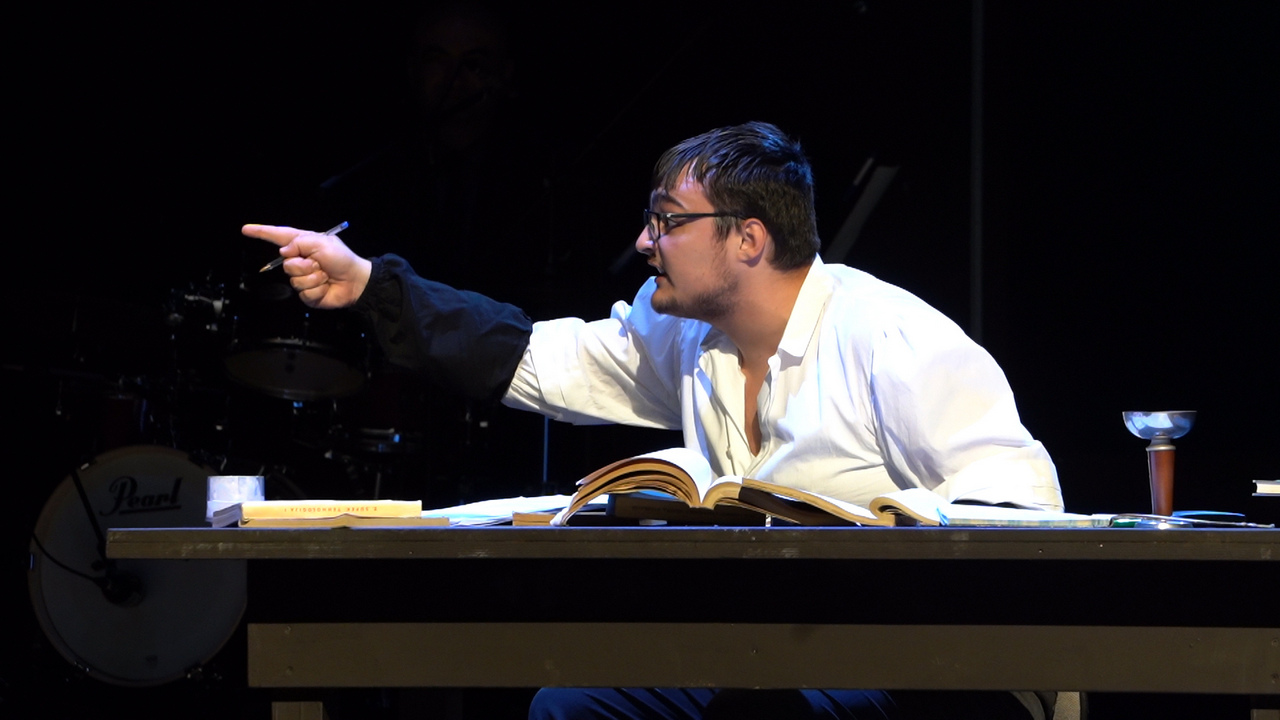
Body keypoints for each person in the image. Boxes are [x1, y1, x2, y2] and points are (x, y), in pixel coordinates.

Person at [243, 122, 1063, 719]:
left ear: (748, 238)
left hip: (915, 661)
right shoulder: (687, 337)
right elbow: (539, 356)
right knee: (573, 705)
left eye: (668, 221)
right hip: (771, 652)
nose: (644, 241)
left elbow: (1022, 509)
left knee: (758, 713)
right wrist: (371, 286)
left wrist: (877, 559)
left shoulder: (891, 338)